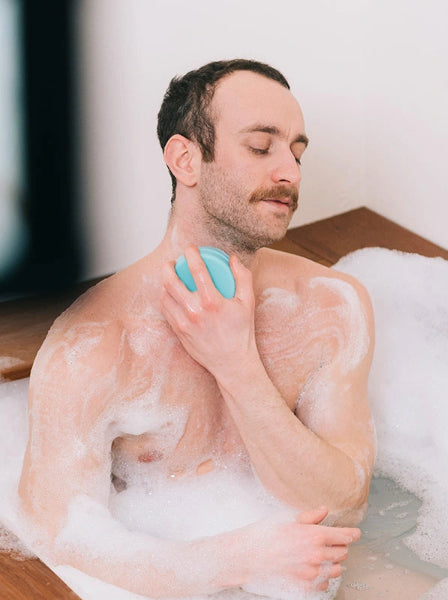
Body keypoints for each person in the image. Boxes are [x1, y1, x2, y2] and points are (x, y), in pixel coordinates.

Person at [18, 59, 376, 598]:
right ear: (185, 158)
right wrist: (233, 561)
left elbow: (346, 502)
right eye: (262, 147)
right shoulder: (94, 346)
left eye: (297, 152)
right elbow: (60, 540)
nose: (291, 173)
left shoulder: (329, 307)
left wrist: (236, 364)